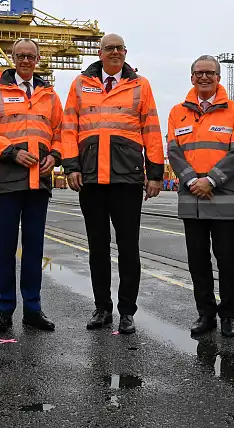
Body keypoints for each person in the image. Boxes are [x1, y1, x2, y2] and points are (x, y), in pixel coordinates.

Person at [62, 33, 164, 334]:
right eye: (110, 48)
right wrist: (71, 166)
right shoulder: (80, 85)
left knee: (129, 249)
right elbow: (69, 128)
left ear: (126, 52)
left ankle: (127, 312)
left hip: (126, 178)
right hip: (92, 178)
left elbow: (152, 129)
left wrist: (155, 173)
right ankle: (102, 308)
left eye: (119, 48)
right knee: (97, 248)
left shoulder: (140, 85)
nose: (115, 52)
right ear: (100, 52)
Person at [0, 38, 63, 334]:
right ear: (12, 58)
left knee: (34, 249)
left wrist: (55, 154)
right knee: (5, 248)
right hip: (8, 181)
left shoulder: (49, 95)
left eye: (30, 56)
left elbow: (60, 131)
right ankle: (4, 310)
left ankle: (33, 309)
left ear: (37, 59)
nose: (26, 60)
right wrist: (12, 152)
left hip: (39, 181)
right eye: (20, 56)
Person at [166, 55, 234, 338]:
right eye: (199, 73)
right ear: (192, 77)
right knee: (197, 262)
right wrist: (192, 181)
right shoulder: (177, 112)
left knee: (228, 261)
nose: (204, 77)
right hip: (192, 200)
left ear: (218, 77)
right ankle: (206, 314)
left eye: (210, 73)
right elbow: (174, 152)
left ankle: (228, 316)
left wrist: (211, 180)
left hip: (223, 200)